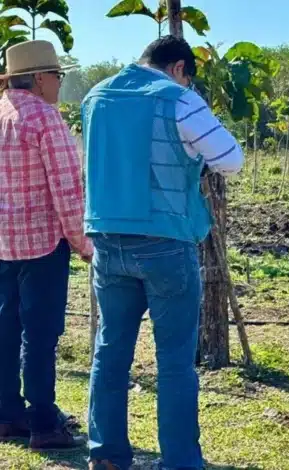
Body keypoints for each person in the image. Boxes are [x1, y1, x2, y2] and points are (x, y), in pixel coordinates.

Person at [82, 35, 243, 470]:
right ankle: (180, 461)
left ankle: (108, 455)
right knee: (174, 360)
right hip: (165, 240)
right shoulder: (179, 100)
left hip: (107, 238)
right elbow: (230, 158)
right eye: (188, 77)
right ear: (178, 68)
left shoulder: (96, 95)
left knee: (110, 350)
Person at [0, 40, 93, 450]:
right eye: (57, 75)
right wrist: (83, 243)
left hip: (2, 245)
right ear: (39, 78)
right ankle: (43, 422)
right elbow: (68, 191)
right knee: (40, 334)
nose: (59, 82)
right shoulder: (45, 119)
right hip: (41, 245)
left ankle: (7, 415)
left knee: (5, 328)